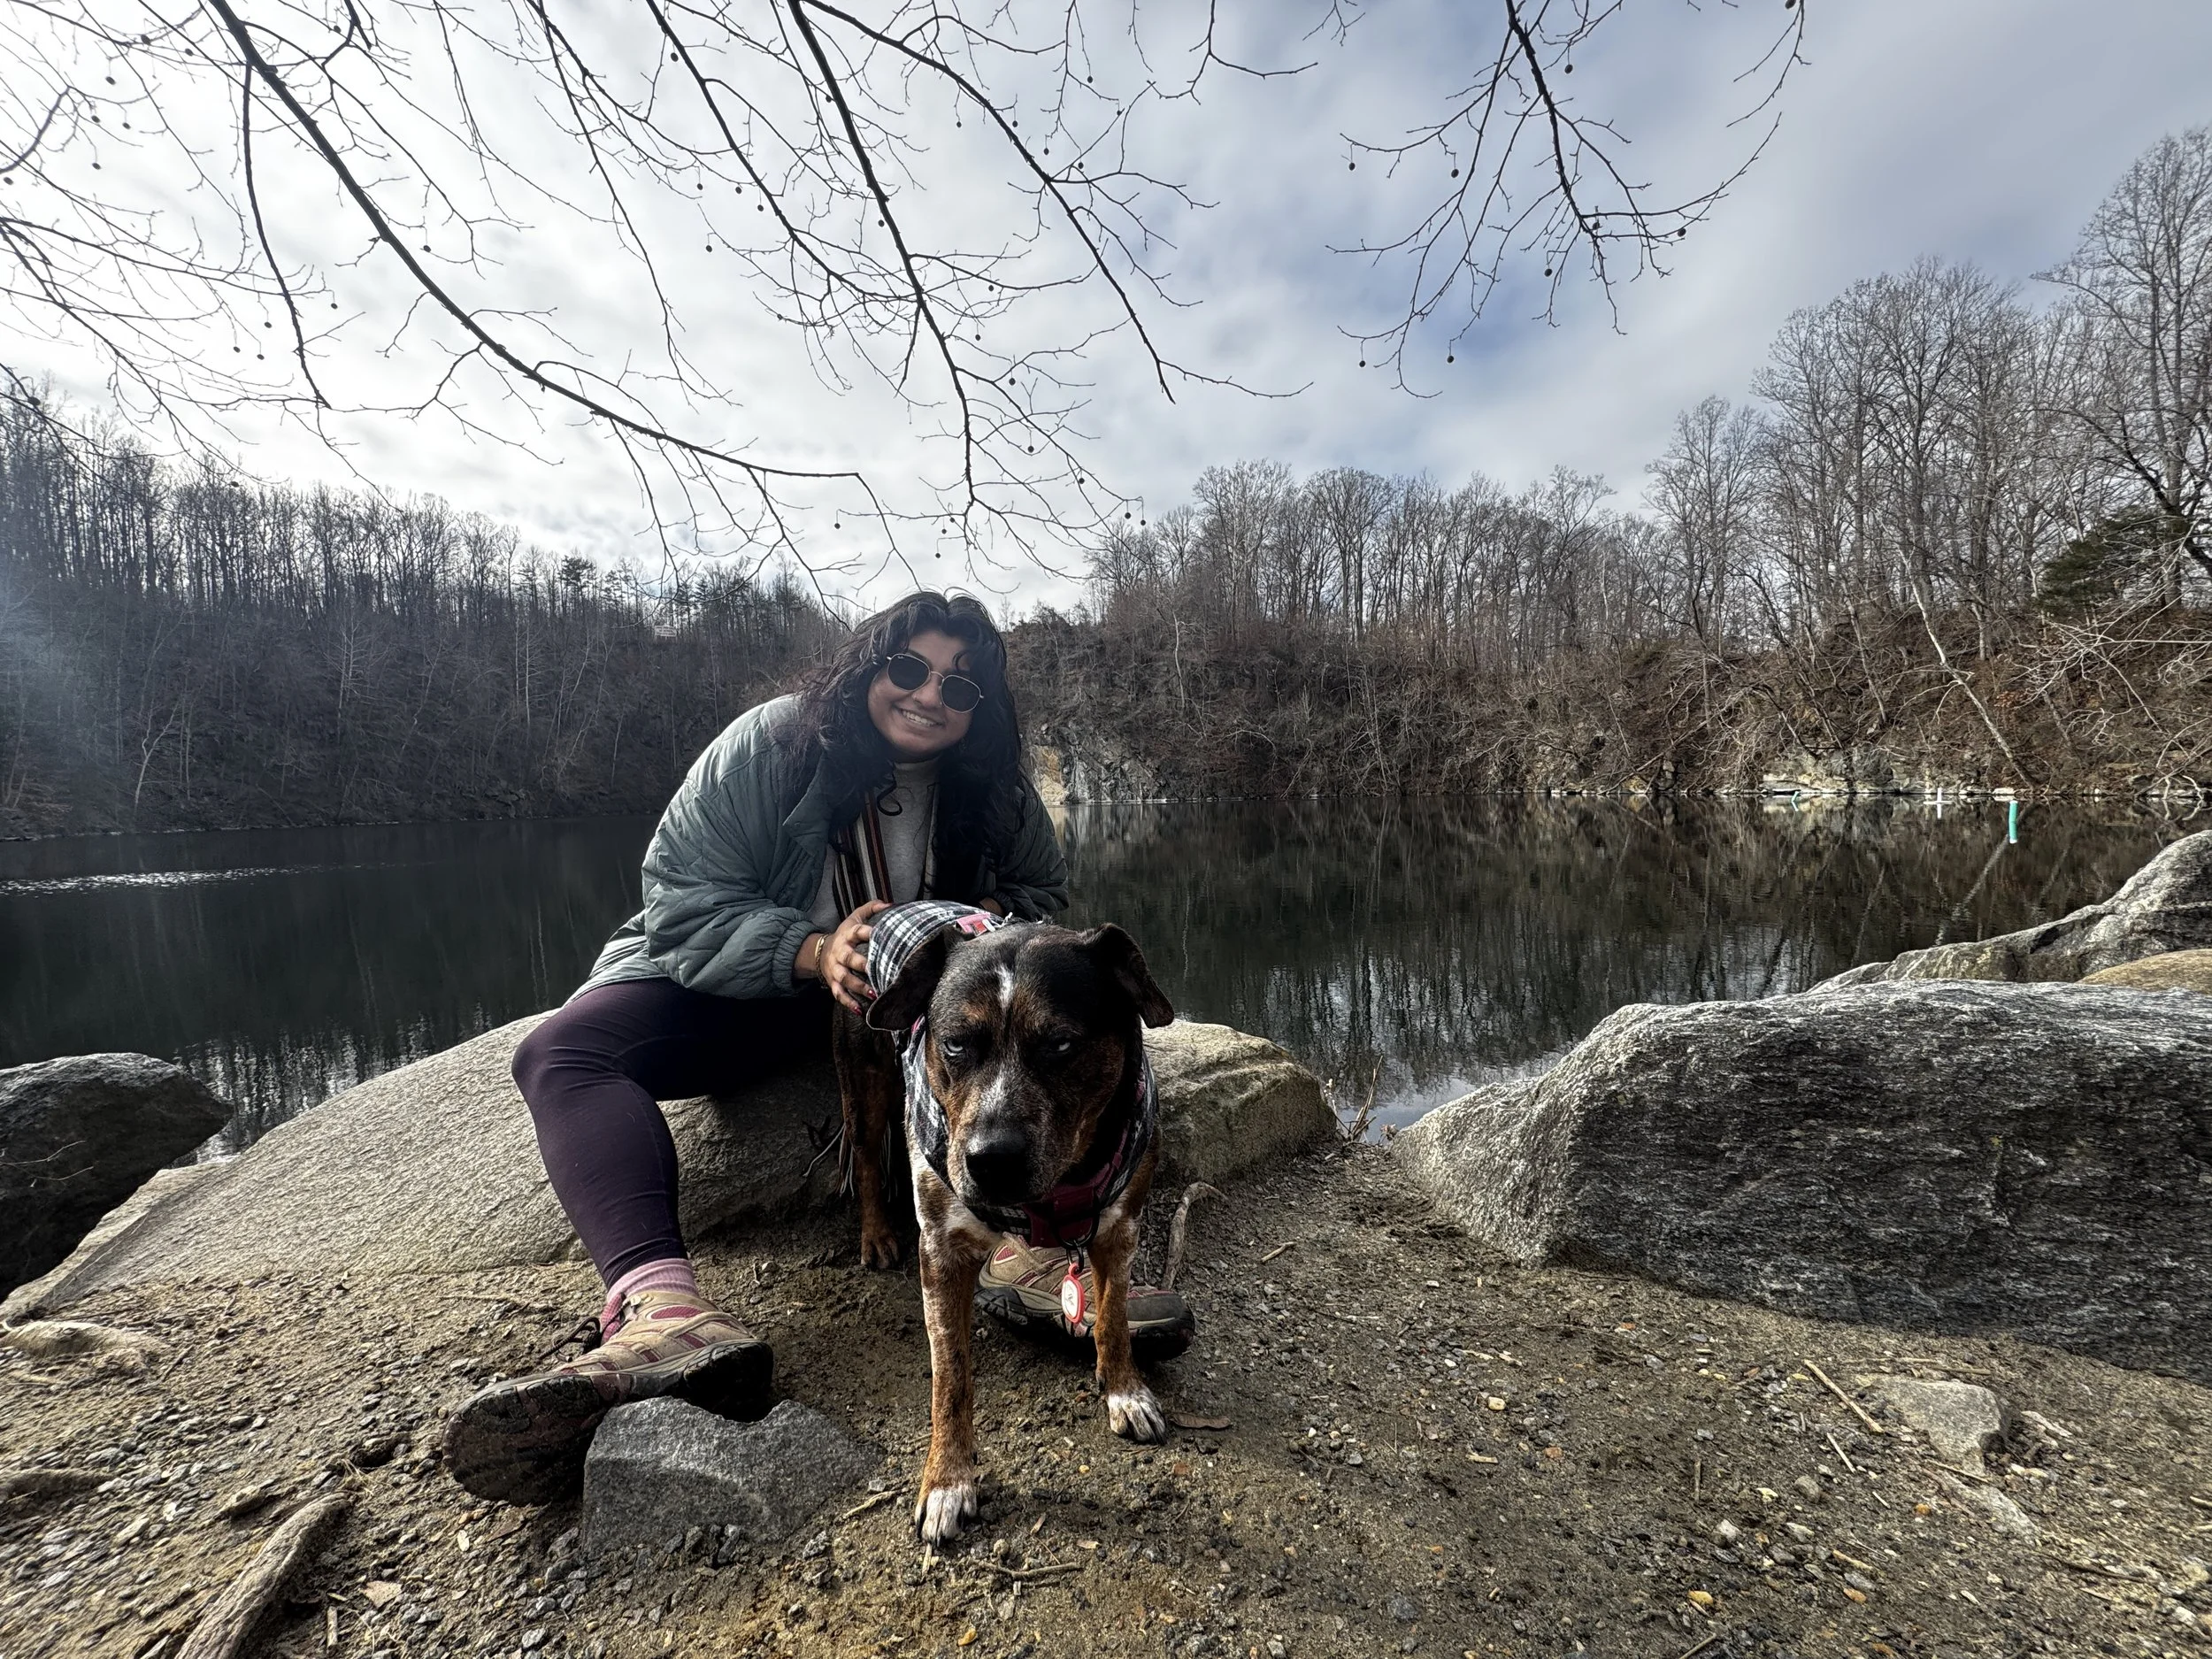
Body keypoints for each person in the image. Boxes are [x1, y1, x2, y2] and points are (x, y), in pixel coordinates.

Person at [442, 590, 1185, 1503]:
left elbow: (1040, 899)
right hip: (757, 984)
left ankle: (1030, 1242)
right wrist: (809, 948)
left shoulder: (994, 781)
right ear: (866, 666)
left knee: (1010, 1106)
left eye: (961, 686)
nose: (929, 695)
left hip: (917, 1009)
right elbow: (679, 898)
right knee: (560, 1054)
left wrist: (978, 951)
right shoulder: (769, 745)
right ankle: (662, 1308)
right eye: (907, 668)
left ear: (983, 709)